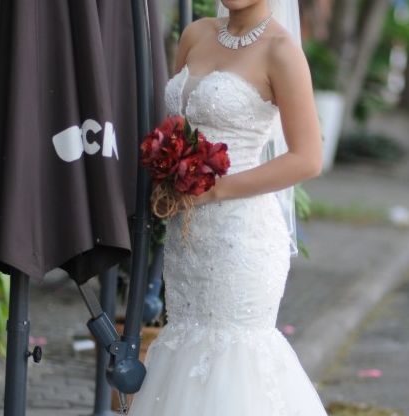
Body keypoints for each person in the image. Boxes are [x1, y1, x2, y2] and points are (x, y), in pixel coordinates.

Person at [127, 1, 327, 415]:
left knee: (233, 357)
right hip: (187, 236)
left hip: (241, 237)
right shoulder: (195, 34)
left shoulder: (281, 50)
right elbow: (177, 126)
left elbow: (308, 158)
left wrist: (216, 191)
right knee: (185, 343)